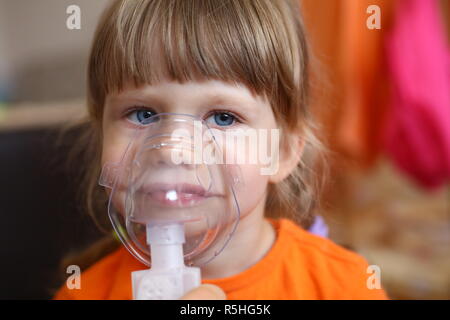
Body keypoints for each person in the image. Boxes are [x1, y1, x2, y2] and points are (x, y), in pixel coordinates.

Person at [53, 0, 388, 300]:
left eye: (223, 117)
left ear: (283, 150)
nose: (173, 151)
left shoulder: (343, 287)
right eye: (143, 113)